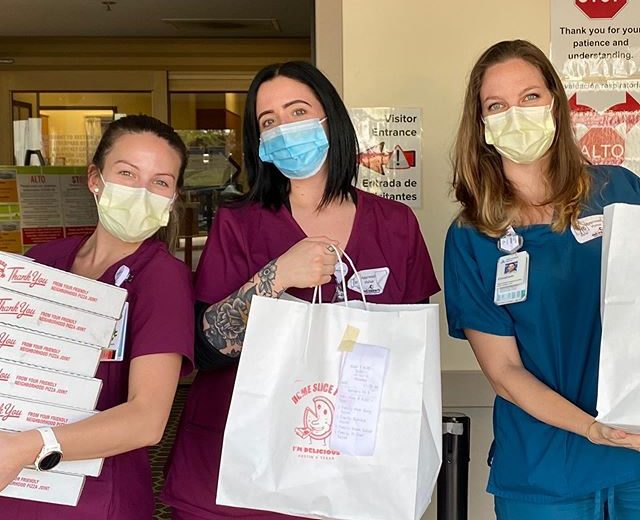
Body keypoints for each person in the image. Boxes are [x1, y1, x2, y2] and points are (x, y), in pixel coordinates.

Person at [162, 61, 440, 519]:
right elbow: (204, 348)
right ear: (260, 144)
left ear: (330, 119)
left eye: (297, 112)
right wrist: (276, 277)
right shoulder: (239, 225)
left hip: (350, 471)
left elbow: (410, 355)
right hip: (240, 470)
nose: (284, 130)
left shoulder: (395, 225)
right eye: (268, 122)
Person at [444, 39, 640, 519]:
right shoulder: (473, 235)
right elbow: (505, 373)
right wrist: (593, 429)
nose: (516, 114)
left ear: (555, 101)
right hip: (544, 475)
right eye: (497, 105)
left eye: (530, 97)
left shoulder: (619, 191)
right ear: (483, 125)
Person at [0, 115, 195, 519]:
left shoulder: (161, 278)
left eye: (160, 182)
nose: (142, 193)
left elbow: (147, 420)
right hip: (15, 481)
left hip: (92, 496)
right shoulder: (43, 263)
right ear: (95, 179)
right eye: (126, 173)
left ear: (173, 197)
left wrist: (25, 446)